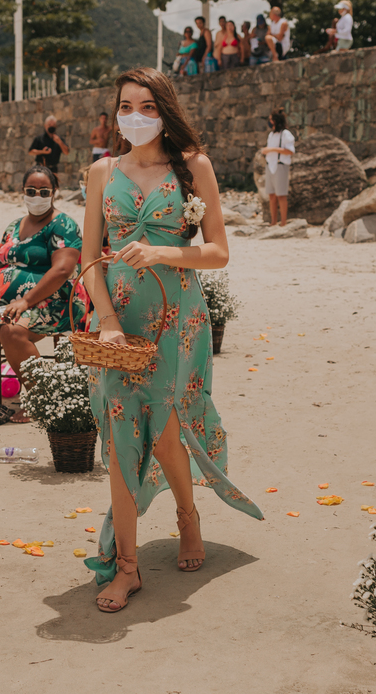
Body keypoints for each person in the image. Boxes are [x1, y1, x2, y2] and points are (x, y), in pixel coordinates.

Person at [81, 67, 263, 613]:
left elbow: (219, 252)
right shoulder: (101, 172)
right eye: (126, 106)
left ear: (165, 111)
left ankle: (188, 514)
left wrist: (161, 251)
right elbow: (91, 258)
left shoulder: (193, 168)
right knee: (119, 435)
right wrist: (106, 317)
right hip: (116, 323)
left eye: (147, 106)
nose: (134, 116)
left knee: (163, 430)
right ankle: (128, 568)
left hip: (177, 320)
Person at [0, 165, 89, 425]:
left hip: (54, 302)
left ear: (54, 192)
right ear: (23, 192)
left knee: (12, 331)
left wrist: (26, 300)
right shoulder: (14, 226)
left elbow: (62, 270)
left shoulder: (63, 225)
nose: (37, 196)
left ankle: (41, 399)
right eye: (31, 190)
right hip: (6, 302)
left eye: (43, 191)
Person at [261, 108, 295, 227]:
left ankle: (283, 222)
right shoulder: (271, 134)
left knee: (281, 194)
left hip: (281, 165)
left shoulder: (286, 134)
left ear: (276, 120)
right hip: (270, 165)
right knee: (271, 194)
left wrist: (271, 149)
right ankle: (274, 221)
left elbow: (290, 151)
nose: (269, 121)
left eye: (271, 119)